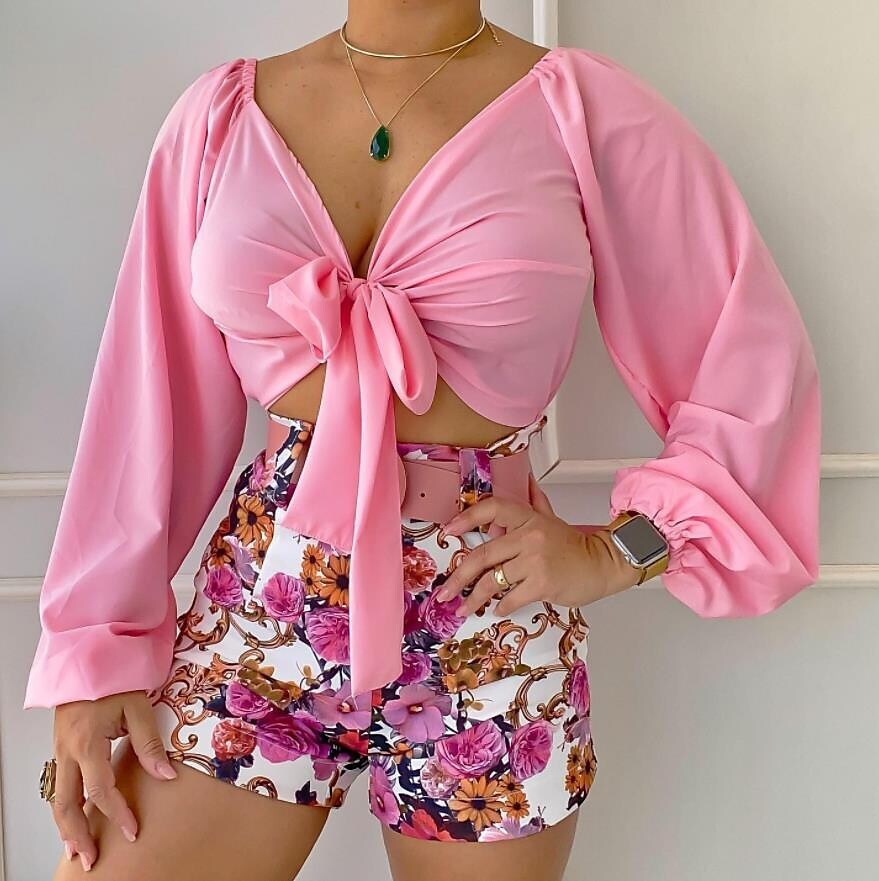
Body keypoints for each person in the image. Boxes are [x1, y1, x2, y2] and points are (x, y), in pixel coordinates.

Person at [24, 4, 822, 880]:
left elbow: (747, 358)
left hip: (491, 629)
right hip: (260, 611)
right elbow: (149, 398)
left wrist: (615, 551)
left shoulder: (584, 110)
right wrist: (93, 655)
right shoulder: (220, 116)